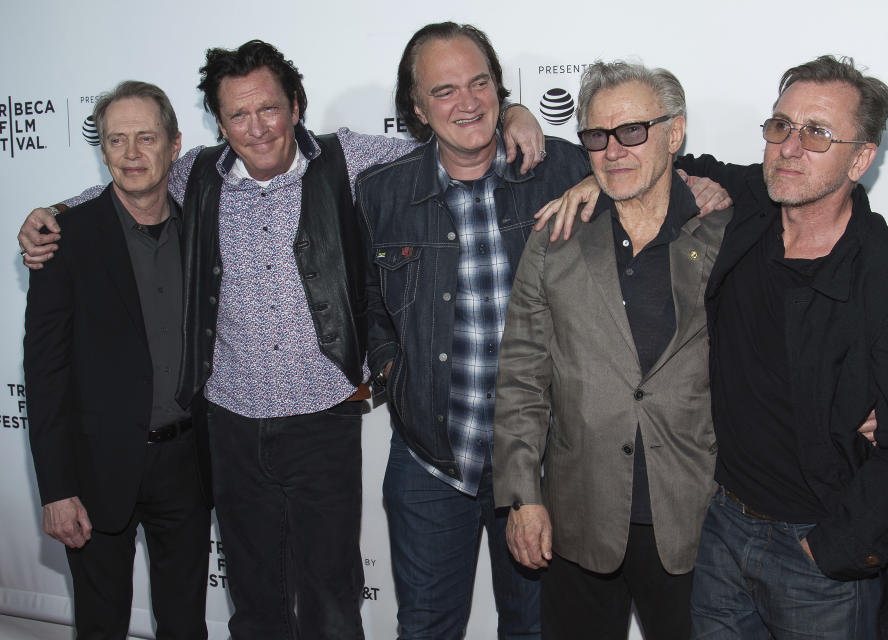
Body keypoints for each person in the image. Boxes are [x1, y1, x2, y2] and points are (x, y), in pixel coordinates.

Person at [16, 39, 545, 640]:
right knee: (255, 598)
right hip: (231, 425)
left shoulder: (348, 159)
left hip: (323, 421)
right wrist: (50, 212)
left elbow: (453, 142)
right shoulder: (197, 173)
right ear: (218, 123)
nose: (256, 127)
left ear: (295, 105)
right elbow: (127, 192)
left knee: (331, 600)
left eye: (268, 109)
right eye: (237, 115)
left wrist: (512, 115)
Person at [357, 34, 731, 639]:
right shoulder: (381, 191)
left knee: (533, 631)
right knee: (425, 628)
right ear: (417, 108)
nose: (467, 102)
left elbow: (641, 170)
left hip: (547, 464)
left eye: (481, 84)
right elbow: (371, 297)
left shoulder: (559, 165)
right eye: (444, 90)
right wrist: (392, 371)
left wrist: (676, 183)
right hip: (431, 458)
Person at [678, 55, 888, 640]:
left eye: (817, 133)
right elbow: (654, 161)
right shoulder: (756, 204)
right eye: (781, 125)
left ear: (860, 158)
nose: (790, 147)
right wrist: (526, 121)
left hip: (815, 556)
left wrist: (829, 550)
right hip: (723, 528)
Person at [491, 61, 730, 640]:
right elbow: (522, 377)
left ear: (674, 134)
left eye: (632, 132)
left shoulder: (725, 236)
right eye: (597, 137)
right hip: (579, 516)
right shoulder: (556, 239)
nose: (613, 150)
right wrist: (522, 495)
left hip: (696, 518)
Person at [24, 80, 211, 640]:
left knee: (185, 623)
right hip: (94, 470)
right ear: (102, 149)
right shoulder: (64, 240)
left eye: (146, 138)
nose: (131, 154)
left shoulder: (205, 230)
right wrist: (56, 489)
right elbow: (45, 375)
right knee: (101, 624)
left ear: (174, 145)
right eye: (116, 140)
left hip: (188, 466)